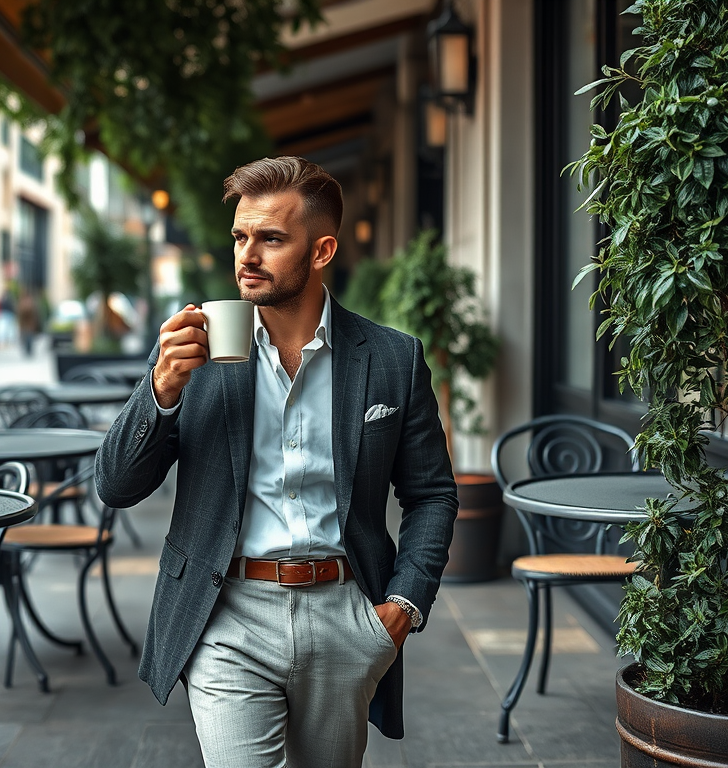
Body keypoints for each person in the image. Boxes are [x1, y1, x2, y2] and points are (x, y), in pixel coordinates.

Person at [95, 156, 457, 768]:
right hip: (226, 612)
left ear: (321, 252)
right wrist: (160, 390)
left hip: (347, 613)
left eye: (270, 239)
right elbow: (116, 486)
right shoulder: (195, 349)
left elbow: (432, 495)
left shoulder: (392, 359)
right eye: (240, 236)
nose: (246, 255)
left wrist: (402, 607)